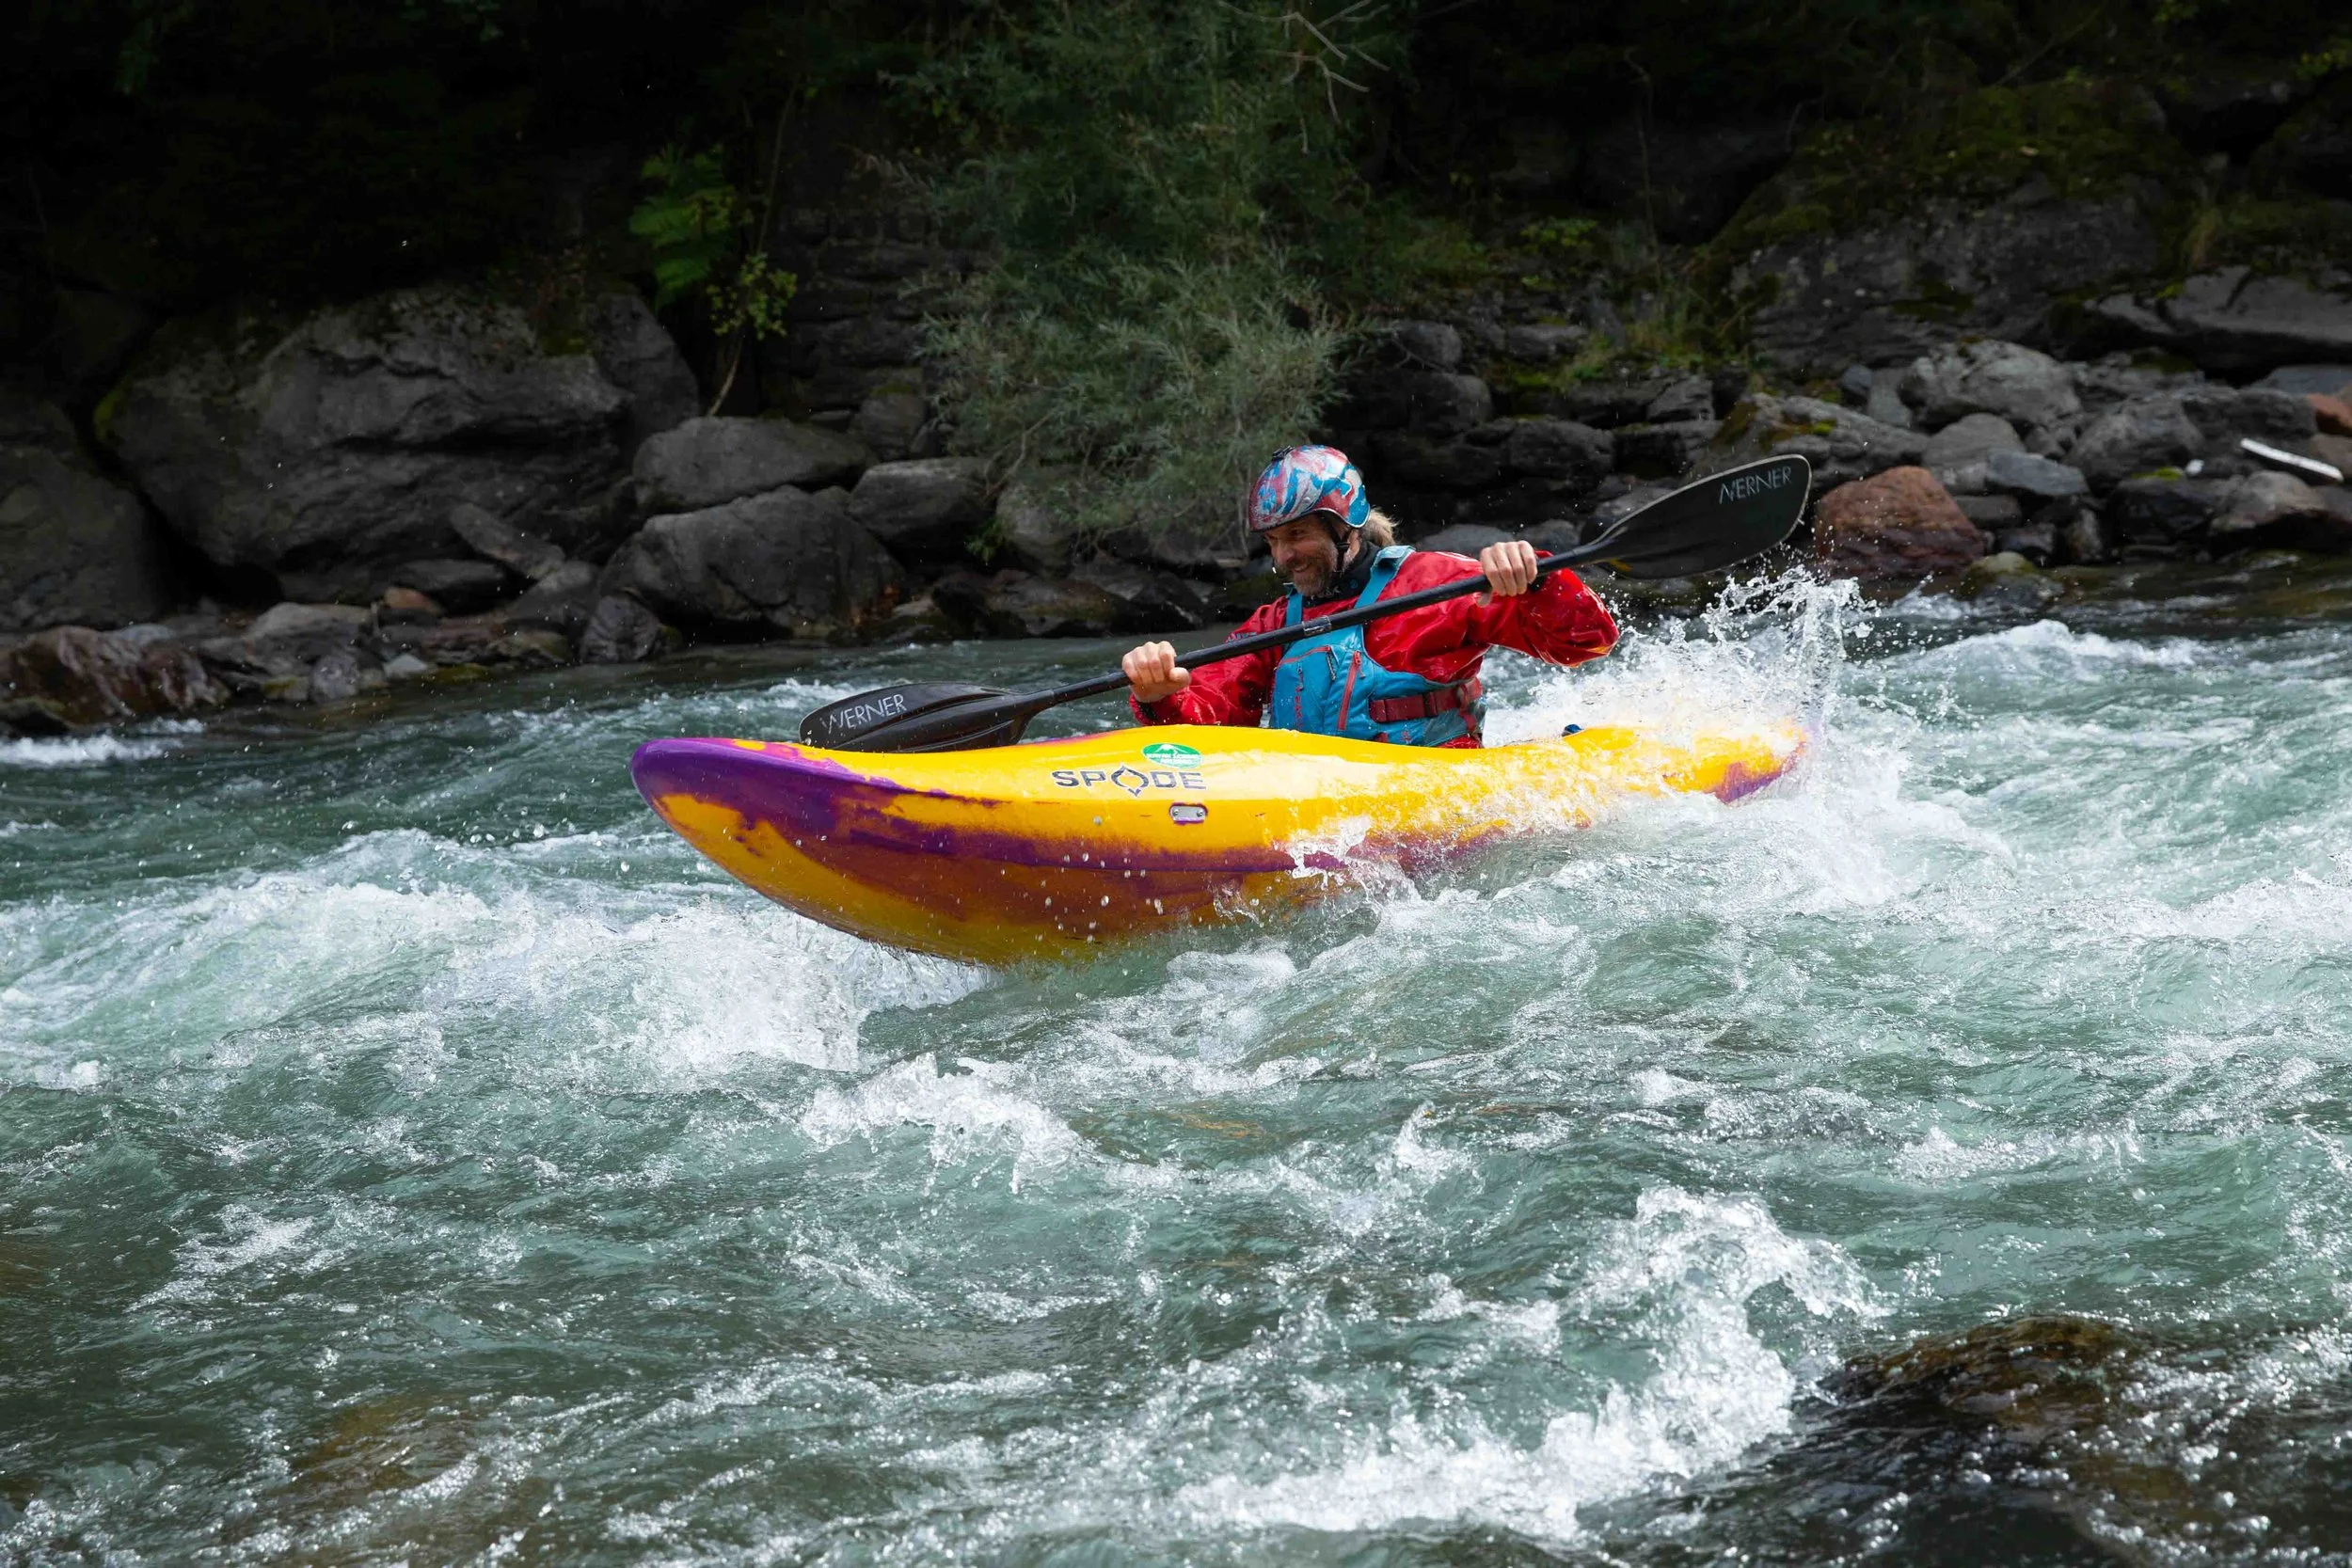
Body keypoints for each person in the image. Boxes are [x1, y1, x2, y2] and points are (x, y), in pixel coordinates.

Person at [1120, 445, 1618, 747]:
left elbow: (1585, 644)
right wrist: (1163, 696)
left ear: (1345, 528)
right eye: (1273, 542)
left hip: (1439, 794)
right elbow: (1214, 719)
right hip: (1326, 806)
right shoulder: (1276, 623)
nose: (1283, 558)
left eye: (1296, 536)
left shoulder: (1433, 584)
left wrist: (1535, 582)